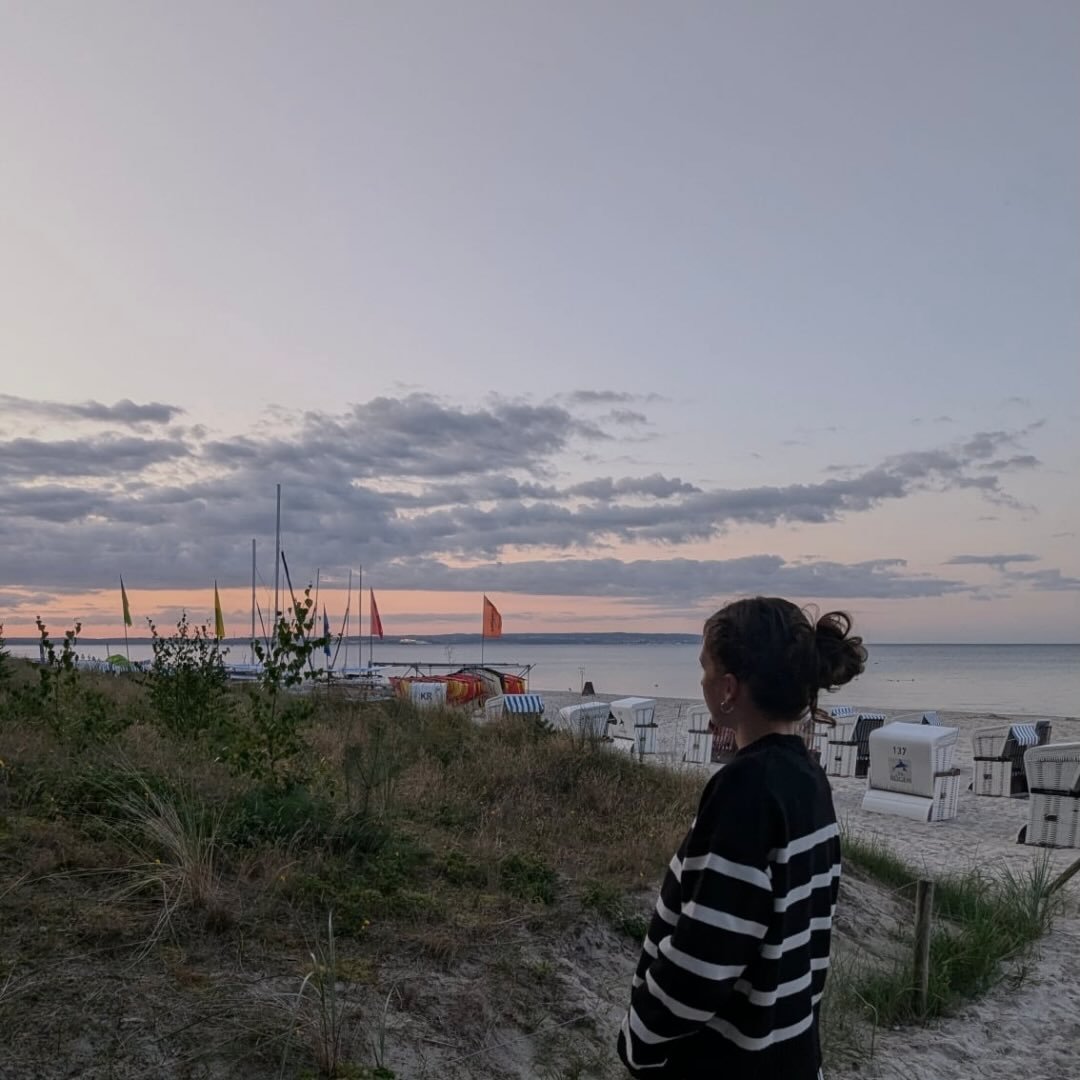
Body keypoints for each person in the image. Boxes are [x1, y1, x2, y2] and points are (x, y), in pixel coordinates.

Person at [617, 597, 867, 1080]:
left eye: (705, 668)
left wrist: (641, 1039)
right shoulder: (809, 779)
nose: (702, 681)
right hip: (790, 1051)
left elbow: (706, 955)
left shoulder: (744, 791)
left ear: (728, 689)